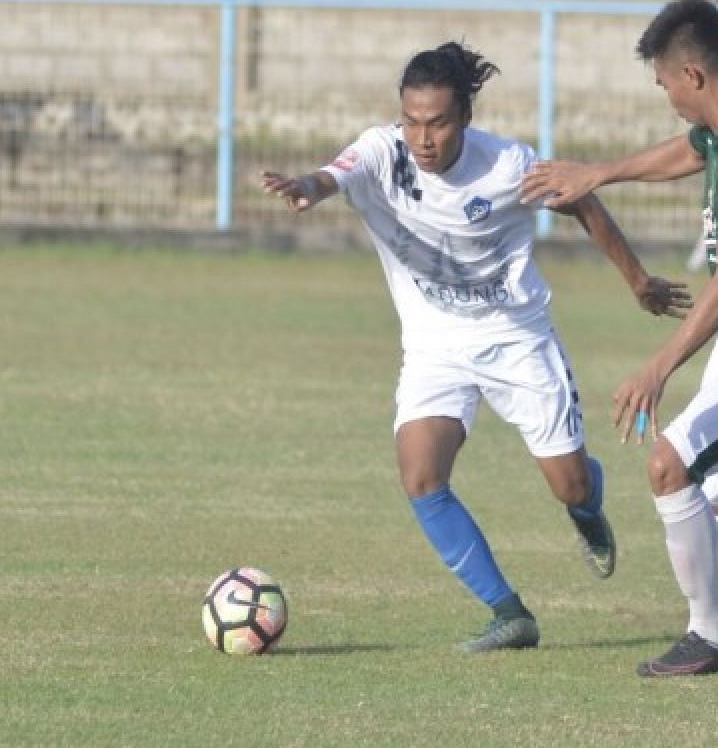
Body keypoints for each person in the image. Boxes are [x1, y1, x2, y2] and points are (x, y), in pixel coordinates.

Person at [261, 42, 690, 653]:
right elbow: (333, 175)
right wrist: (306, 186)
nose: (423, 138)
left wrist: (640, 281)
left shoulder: (507, 164)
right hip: (435, 347)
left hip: (517, 339)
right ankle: (509, 613)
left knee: (568, 485)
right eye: (412, 121)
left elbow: (584, 203)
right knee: (420, 475)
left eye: (437, 122)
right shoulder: (383, 152)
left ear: (464, 115)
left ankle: (588, 506)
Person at [522, 0, 718, 677]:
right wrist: (598, 174)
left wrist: (658, 367)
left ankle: (707, 636)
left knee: (669, 465)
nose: (666, 97)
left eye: (665, 83)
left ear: (692, 75)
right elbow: (689, 149)